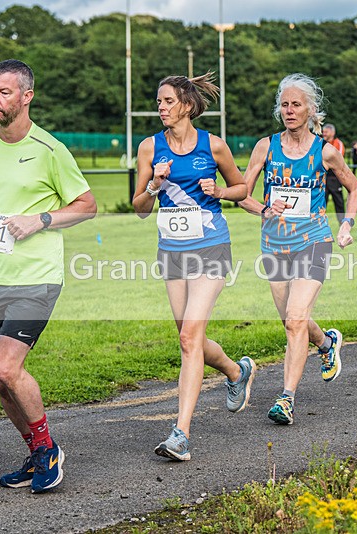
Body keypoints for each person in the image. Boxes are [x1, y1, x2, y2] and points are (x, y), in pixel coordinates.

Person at [0, 59, 97, 492]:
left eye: (4, 92)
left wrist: (40, 220)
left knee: (8, 368)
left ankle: (47, 451)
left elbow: (86, 205)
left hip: (36, 276)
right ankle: (36, 451)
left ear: (27, 96)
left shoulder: (50, 150)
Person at [132, 73, 252, 461]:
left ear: (185, 104)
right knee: (190, 338)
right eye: (158, 101)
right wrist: (153, 184)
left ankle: (180, 434)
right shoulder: (149, 148)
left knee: (188, 340)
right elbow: (138, 208)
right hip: (172, 251)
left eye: (167, 101)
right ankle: (236, 371)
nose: (161, 107)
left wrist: (219, 190)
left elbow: (241, 189)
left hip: (212, 246)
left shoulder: (213, 146)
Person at [238, 73, 357, 425]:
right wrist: (262, 209)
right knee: (291, 320)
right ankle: (326, 343)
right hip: (274, 245)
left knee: (295, 319)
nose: (290, 110)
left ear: (310, 110)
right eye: (285, 104)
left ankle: (286, 398)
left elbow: (353, 188)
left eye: (297, 105)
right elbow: (241, 193)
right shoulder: (265, 147)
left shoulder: (325, 152)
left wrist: (347, 224)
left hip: (314, 240)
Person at [322, 123, 346, 224]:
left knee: (339, 202)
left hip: (335, 178)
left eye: (326, 132)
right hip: (323, 177)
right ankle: (318, 223)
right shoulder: (320, 143)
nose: (324, 134)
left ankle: (343, 224)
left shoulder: (338, 143)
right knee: (321, 202)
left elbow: (338, 158)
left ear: (332, 132)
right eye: (323, 132)